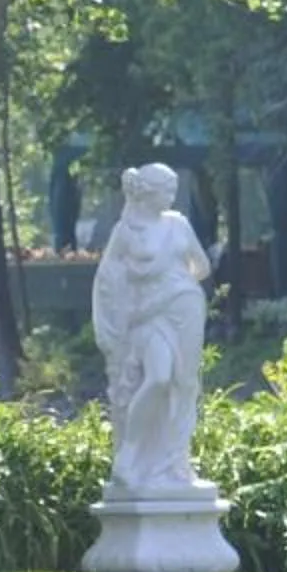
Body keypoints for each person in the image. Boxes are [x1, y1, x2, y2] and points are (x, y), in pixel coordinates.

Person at [91, 163, 214, 496]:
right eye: (167, 191)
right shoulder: (126, 231)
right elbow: (106, 277)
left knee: (185, 383)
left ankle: (175, 463)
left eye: (174, 191)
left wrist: (174, 281)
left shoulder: (179, 225)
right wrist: (118, 313)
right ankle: (129, 456)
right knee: (158, 377)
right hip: (147, 316)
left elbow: (201, 266)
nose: (172, 197)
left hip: (184, 306)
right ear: (148, 192)